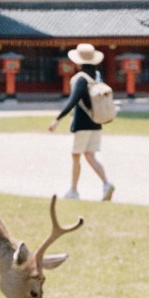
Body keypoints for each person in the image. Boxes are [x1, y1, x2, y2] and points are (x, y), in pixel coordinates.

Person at [48, 43, 115, 201]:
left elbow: (72, 101)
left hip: (83, 124)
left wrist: (57, 120)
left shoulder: (80, 79)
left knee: (76, 156)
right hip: (97, 123)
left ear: (78, 62)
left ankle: (73, 190)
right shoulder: (97, 76)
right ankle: (106, 184)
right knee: (90, 155)